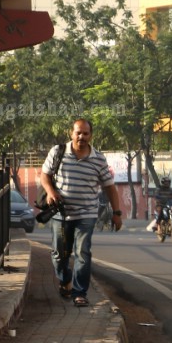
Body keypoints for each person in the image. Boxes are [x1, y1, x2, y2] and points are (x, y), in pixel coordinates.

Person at [38, 118, 124, 307]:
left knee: (82, 253)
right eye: (78, 132)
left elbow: (110, 187)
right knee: (59, 255)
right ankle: (65, 279)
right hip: (60, 214)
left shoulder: (98, 159)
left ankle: (80, 292)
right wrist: (51, 192)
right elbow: (45, 175)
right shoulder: (58, 152)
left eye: (85, 133)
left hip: (86, 214)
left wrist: (116, 213)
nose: (81, 136)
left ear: (90, 135)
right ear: (72, 133)